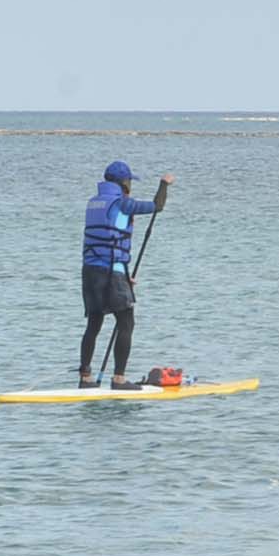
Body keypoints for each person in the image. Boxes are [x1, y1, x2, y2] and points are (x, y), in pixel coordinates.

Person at [79, 160, 172, 389]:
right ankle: (119, 379)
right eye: (129, 181)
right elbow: (156, 206)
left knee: (94, 323)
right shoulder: (122, 203)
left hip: (90, 272)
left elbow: (106, 240)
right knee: (126, 322)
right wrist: (164, 184)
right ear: (124, 182)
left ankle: (85, 378)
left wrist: (125, 275)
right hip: (112, 272)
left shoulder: (93, 203)